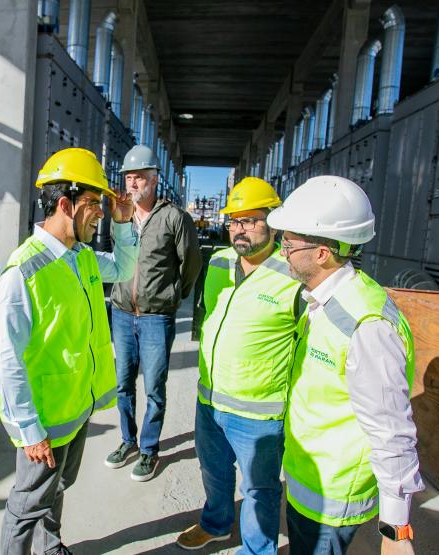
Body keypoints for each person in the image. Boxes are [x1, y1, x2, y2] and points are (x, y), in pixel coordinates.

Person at [266, 176, 424, 555]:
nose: (282, 250)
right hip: (310, 479)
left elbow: (392, 429)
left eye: (288, 242)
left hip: (332, 498)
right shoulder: (324, 300)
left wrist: (396, 529)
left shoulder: (366, 326)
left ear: (322, 253)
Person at [0, 148, 138, 555]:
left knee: (59, 486)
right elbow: (8, 360)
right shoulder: (22, 272)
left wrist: (124, 224)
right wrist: (28, 428)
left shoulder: (83, 258)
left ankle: (51, 546)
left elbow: (125, 270)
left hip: (77, 406)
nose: (100, 215)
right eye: (94, 205)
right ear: (64, 204)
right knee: (27, 503)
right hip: (45, 417)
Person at [175, 177, 301, 553]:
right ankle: (215, 524)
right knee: (213, 472)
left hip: (258, 410)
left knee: (259, 489)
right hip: (210, 399)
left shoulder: (293, 274)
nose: (239, 229)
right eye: (234, 221)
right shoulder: (219, 261)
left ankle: (257, 549)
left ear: (272, 222)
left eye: (250, 220)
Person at [106, 144, 202, 482]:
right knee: (122, 384)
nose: (132, 184)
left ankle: (149, 450)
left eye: (139, 178)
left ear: (154, 179)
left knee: (154, 388)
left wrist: (175, 295)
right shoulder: (121, 216)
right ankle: (127, 440)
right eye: (129, 178)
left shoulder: (174, 218)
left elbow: (191, 262)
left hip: (155, 317)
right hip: (120, 313)